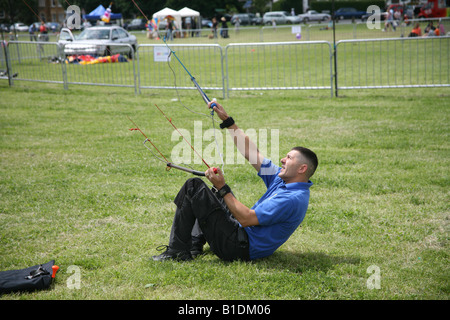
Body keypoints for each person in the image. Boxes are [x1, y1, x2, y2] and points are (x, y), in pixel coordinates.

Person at [151, 101, 318, 262]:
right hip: (240, 234)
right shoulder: (281, 179)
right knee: (212, 195)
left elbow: (246, 218)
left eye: (288, 158)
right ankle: (194, 244)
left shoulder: (292, 198)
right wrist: (227, 120)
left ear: (302, 169)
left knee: (194, 187)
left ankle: (177, 251)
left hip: (239, 247)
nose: (282, 159)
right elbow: (251, 153)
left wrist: (223, 187)